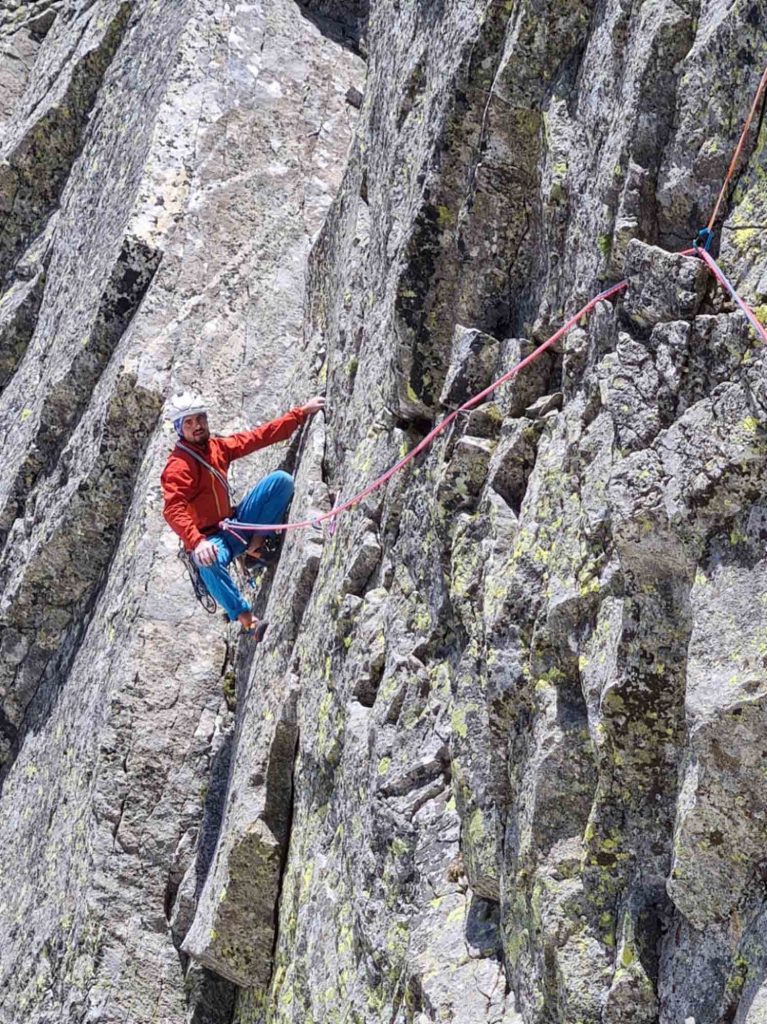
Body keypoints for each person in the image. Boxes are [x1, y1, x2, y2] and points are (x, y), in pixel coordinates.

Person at [161, 389, 325, 636]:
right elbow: (173, 508)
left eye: (200, 418)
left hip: (233, 524)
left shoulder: (217, 448)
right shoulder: (179, 466)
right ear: (179, 428)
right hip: (211, 540)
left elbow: (257, 437)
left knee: (281, 482)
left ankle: (254, 549)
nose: (198, 426)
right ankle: (248, 621)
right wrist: (197, 542)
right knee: (207, 560)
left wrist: (300, 414)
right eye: (189, 422)